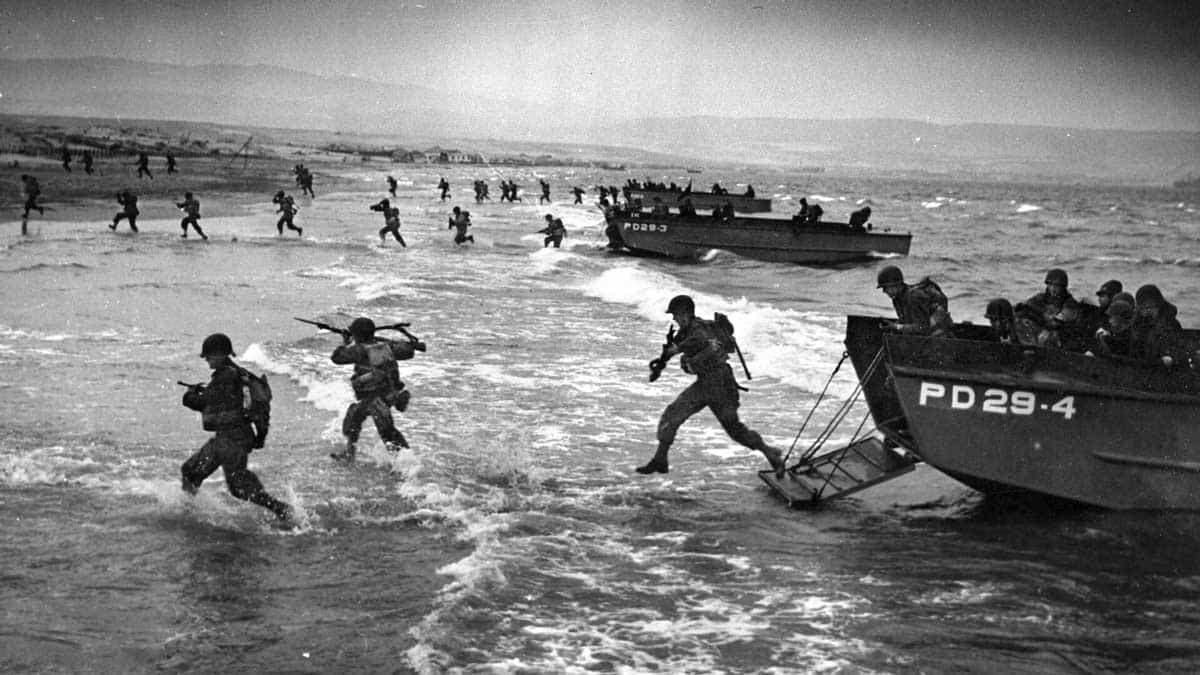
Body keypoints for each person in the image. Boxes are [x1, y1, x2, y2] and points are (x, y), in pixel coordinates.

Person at [637, 295, 785, 476]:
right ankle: (660, 459)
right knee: (681, 416)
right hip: (714, 383)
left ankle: (771, 454)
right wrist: (660, 364)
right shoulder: (691, 328)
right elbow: (673, 348)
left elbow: (686, 345)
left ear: (684, 314)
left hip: (716, 384)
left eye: (675, 315)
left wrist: (674, 355)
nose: (674, 319)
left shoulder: (697, 331)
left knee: (680, 416)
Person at [180, 333, 292, 521]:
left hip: (231, 440)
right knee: (192, 471)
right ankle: (187, 511)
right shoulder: (239, 374)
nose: (206, 359)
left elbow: (202, 402)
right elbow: (249, 405)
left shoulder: (225, 376)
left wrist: (189, 394)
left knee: (238, 486)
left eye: (208, 356)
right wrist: (260, 436)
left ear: (219, 355)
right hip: (235, 437)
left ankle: (282, 509)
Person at [330, 318, 424, 461]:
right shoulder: (386, 346)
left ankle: (407, 464)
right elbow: (408, 352)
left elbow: (337, 358)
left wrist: (346, 342)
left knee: (387, 433)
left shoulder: (359, 350)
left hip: (374, 399)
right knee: (354, 417)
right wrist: (399, 343)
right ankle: (349, 453)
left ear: (357, 335)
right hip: (388, 393)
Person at [876, 265, 953, 336]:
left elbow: (923, 328)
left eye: (885, 288)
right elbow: (906, 321)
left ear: (895, 286)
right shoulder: (897, 299)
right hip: (925, 336)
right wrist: (892, 326)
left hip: (938, 335)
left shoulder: (913, 297)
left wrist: (897, 327)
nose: (884, 291)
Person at [1130, 284, 1188, 366]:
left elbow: (1179, 350)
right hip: (1143, 366)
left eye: (1151, 307)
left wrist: (1171, 359)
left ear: (1159, 305)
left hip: (1163, 368)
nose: (1148, 312)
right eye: (1143, 308)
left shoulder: (1170, 323)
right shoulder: (1137, 323)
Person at [1013, 268, 1074, 346]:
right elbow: (1025, 306)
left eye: (1056, 285)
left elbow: (1056, 323)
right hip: (1042, 331)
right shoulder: (1041, 298)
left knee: (1048, 335)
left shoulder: (1069, 304)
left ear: (1062, 287)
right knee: (1019, 320)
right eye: (1050, 285)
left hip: (1060, 335)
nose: (1053, 288)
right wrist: (1020, 310)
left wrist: (1036, 316)